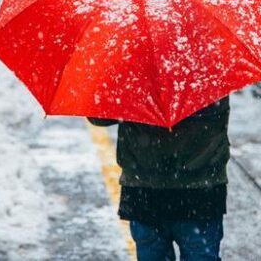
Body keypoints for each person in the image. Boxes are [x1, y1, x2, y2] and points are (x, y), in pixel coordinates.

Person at [88, 97, 230, 261]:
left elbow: (98, 115)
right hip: (201, 191)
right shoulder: (209, 76)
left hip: (145, 190)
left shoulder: (132, 78)